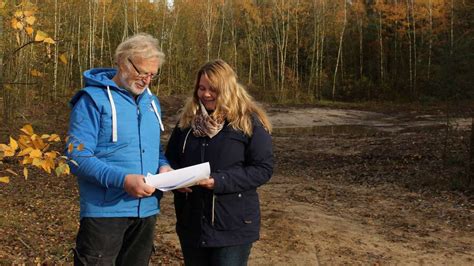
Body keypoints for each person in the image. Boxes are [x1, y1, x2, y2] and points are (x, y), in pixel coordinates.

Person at [65, 33, 172, 265]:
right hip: (104, 213)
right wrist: (123, 180)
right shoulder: (91, 101)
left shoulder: (152, 103)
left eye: (152, 75)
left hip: (146, 211)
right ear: (123, 61)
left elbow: (155, 150)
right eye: (142, 72)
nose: (146, 80)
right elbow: (77, 157)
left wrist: (164, 166)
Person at [165, 59, 273, 265]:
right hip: (192, 224)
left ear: (228, 88)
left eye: (213, 89)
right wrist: (176, 180)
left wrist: (218, 181)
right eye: (201, 88)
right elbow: (171, 159)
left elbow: (263, 169)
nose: (206, 94)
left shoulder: (249, 122)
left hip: (233, 226)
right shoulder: (187, 122)